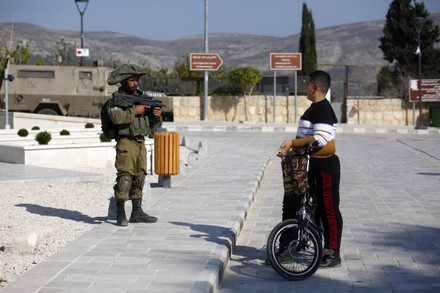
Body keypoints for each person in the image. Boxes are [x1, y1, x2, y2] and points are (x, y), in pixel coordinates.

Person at [276, 70, 343, 268]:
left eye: (307, 85)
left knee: (327, 208)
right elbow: (306, 137)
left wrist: (292, 143)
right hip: (306, 165)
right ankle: (286, 249)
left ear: (315, 87)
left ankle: (332, 252)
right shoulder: (314, 108)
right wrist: (291, 150)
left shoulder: (324, 109)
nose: (305, 88)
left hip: (324, 166)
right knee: (292, 204)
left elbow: (320, 139)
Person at [106, 64, 162, 226]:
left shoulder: (142, 97)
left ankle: (137, 212)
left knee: (140, 175)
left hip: (140, 141)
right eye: (131, 80)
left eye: (136, 80)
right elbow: (116, 118)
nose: (135, 83)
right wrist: (135, 111)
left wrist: (156, 116)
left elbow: (150, 123)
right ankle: (121, 213)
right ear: (123, 81)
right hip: (126, 141)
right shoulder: (116, 99)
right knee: (125, 176)